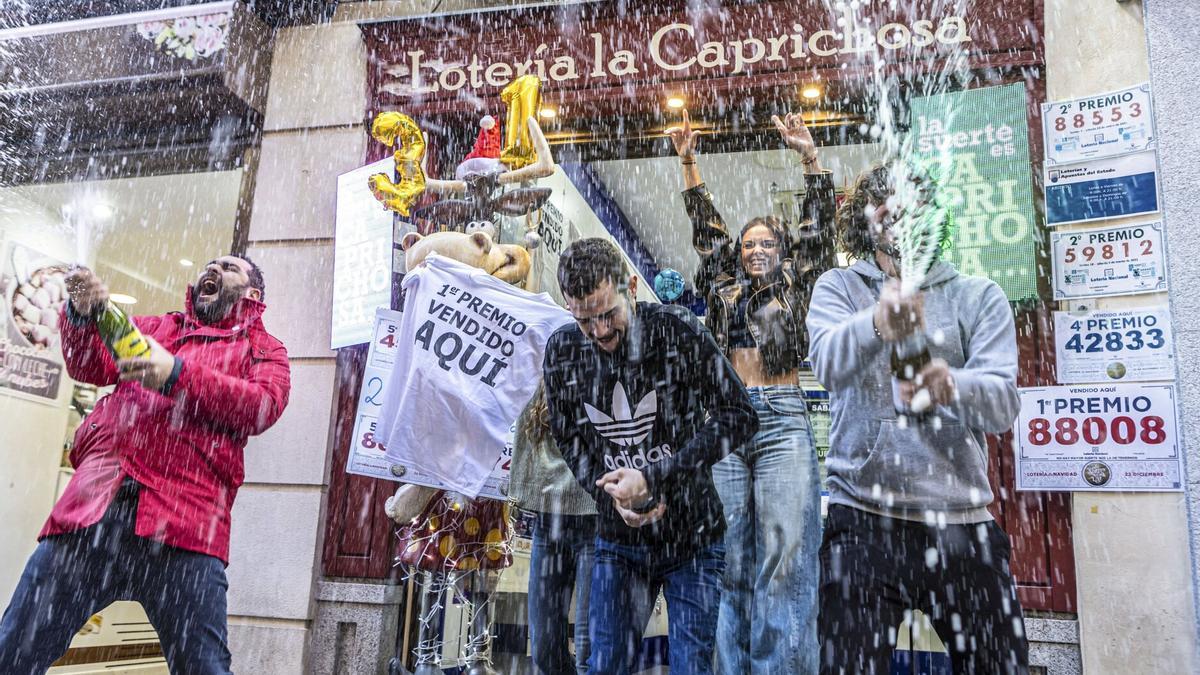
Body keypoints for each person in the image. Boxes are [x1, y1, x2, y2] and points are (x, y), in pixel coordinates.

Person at [0, 256, 291, 674]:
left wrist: (176, 374)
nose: (211, 268)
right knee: (16, 648)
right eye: (208, 264)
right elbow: (91, 365)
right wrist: (83, 315)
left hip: (185, 526)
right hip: (95, 509)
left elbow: (261, 408)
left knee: (202, 666)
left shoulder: (265, 349)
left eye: (227, 267)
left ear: (252, 293)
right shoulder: (158, 327)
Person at [805, 163, 1029, 675]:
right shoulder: (838, 287)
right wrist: (877, 323)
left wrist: (950, 384)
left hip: (961, 523)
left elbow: (1001, 407)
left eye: (913, 207)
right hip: (860, 522)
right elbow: (826, 368)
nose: (901, 220)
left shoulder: (978, 294)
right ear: (867, 222)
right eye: (886, 208)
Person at [666, 110, 836, 674]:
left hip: (785, 417)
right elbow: (706, 230)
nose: (755, 249)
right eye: (748, 244)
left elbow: (819, 227)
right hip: (728, 420)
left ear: (782, 252)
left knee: (785, 553)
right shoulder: (723, 282)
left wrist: (810, 160)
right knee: (729, 555)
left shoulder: (800, 280)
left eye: (766, 243)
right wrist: (689, 161)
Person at [542, 238, 758, 675]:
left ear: (633, 287)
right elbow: (568, 436)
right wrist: (613, 499)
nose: (600, 331)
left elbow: (739, 416)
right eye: (584, 320)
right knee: (604, 666)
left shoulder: (677, 330)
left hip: (693, 540)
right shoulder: (563, 351)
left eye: (608, 314)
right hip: (617, 545)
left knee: (691, 668)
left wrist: (656, 477)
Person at [511, 383, 598, 674]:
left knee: (589, 648)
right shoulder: (540, 366)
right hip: (550, 521)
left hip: (597, 519)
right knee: (545, 649)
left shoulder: (607, 359)